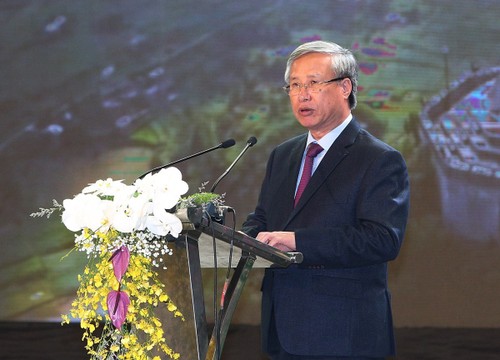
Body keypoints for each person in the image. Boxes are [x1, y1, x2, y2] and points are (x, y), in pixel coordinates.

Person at [241, 40, 410, 360]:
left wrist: (296, 241)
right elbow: (263, 218)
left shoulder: (378, 158)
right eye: (294, 85)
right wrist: (240, 239)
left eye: (314, 83)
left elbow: (382, 239)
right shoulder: (284, 155)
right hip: (283, 329)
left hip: (344, 333)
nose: (302, 94)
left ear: (345, 87)